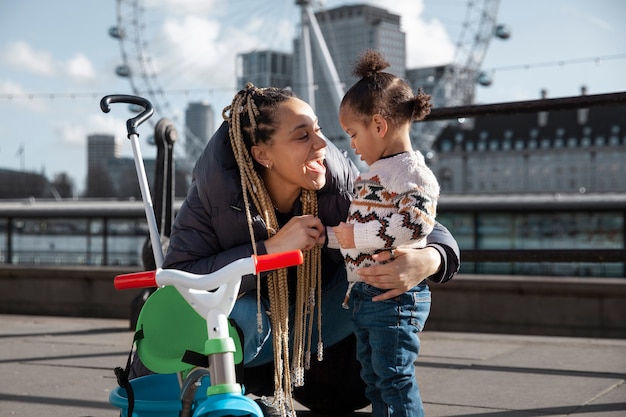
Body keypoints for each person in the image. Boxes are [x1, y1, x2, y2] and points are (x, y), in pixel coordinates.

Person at [161, 83, 460, 416]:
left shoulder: (337, 178)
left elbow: (421, 222)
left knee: (381, 285)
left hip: (322, 342)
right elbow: (177, 283)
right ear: (263, 154)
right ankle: (238, 397)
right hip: (256, 337)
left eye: (318, 130)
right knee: (238, 315)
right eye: (302, 136)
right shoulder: (215, 195)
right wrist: (270, 249)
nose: (322, 144)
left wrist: (428, 260)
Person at [326, 50, 438, 417]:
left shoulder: (410, 173)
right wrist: (326, 236)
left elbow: (416, 223)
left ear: (378, 125)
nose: (352, 145)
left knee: (394, 379)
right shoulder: (375, 174)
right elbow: (359, 232)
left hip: (393, 298)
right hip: (367, 294)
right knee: (375, 380)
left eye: (353, 134)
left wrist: (354, 238)